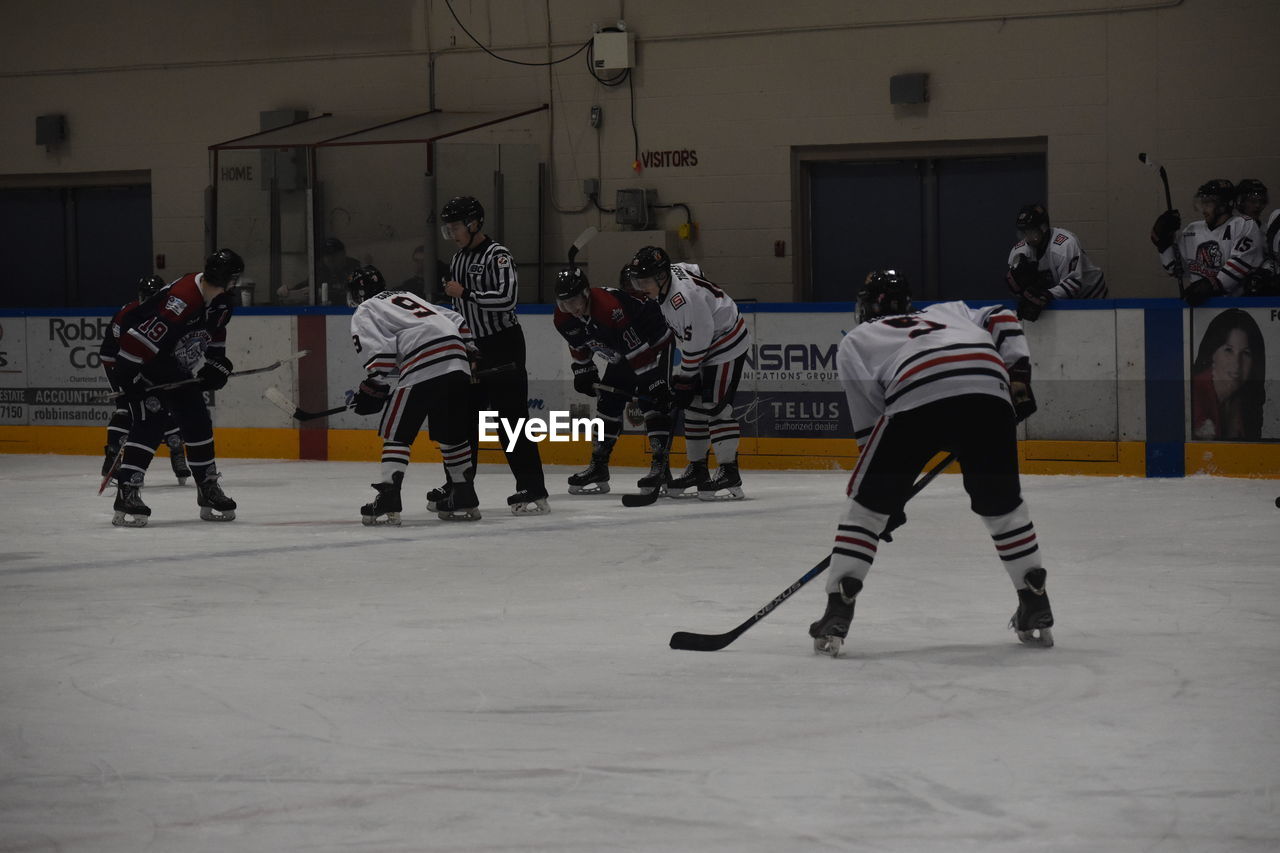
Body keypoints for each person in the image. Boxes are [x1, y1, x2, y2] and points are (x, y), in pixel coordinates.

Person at [808, 270, 1054, 657]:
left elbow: (870, 432)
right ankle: (1035, 597)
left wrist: (886, 501)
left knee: (864, 508)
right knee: (1001, 503)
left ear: (867, 306)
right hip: (988, 388)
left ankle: (839, 606)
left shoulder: (856, 340)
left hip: (916, 392)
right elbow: (1003, 316)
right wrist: (1018, 375)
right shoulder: (951, 310)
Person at [107, 249, 244, 527]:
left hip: (177, 370)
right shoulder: (181, 301)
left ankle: (208, 487)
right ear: (228, 279)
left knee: (197, 420)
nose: (235, 285)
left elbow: (216, 331)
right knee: (149, 422)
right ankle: (127, 492)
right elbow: (135, 342)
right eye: (235, 279)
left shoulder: (221, 302)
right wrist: (130, 380)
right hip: (145, 367)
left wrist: (217, 363)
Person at [438, 195, 549, 515]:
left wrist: (466, 293)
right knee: (462, 421)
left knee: (511, 421)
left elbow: (507, 299)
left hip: (503, 344)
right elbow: (459, 309)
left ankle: (531, 486)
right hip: (472, 347)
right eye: (448, 228)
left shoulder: (497, 254)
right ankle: (459, 488)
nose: (452, 233)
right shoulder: (457, 258)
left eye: (455, 226)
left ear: (474, 224)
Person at [346, 265, 480, 523]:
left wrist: (374, 384)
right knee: (451, 432)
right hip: (457, 359)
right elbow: (455, 319)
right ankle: (464, 493)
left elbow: (380, 351)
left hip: (424, 360)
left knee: (396, 429)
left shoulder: (366, 308)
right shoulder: (406, 296)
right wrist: (470, 349)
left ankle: (389, 496)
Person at [626, 246, 752, 500]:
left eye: (645, 281)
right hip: (707, 340)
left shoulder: (684, 300)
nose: (641, 286)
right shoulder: (671, 275)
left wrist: (685, 380)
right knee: (693, 406)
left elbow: (698, 345)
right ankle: (697, 468)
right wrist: (685, 383)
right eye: (637, 280)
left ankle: (729, 471)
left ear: (661, 278)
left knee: (715, 406)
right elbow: (695, 270)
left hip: (726, 340)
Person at [553, 264, 675, 496]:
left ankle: (661, 467)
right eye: (564, 303)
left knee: (653, 402)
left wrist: (654, 383)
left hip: (653, 339)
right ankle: (599, 465)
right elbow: (579, 343)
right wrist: (583, 369)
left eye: (575, 301)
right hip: (625, 348)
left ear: (586, 294)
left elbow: (638, 352)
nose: (571, 308)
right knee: (608, 401)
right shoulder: (563, 317)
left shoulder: (609, 309)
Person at [99, 274, 191, 485]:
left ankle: (177, 451)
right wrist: (133, 381)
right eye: (146, 295)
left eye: (154, 296)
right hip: (118, 363)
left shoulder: (168, 314)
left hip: (150, 363)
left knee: (164, 405)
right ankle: (113, 454)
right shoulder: (127, 315)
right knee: (125, 407)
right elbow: (122, 354)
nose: (149, 300)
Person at [1150, 179, 1264, 306]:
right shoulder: (1192, 230)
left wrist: (1212, 284)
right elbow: (1175, 269)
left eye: (1208, 203)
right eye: (1202, 203)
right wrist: (1164, 243)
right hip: (1201, 310)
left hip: (1237, 307)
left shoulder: (1243, 224)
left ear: (1223, 205)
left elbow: (1240, 264)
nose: (1204, 209)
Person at [1005, 203, 1107, 321]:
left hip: (1090, 293)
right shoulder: (1019, 252)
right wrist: (1022, 291)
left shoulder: (1065, 245)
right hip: (1059, 295)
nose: (1027, 238)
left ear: (1043, 228)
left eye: (1031, 232)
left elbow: (1073, 283)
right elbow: (1021, 290)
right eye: (1023, 233)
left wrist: (1045, 295)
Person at [1190, 308, 1266, 441]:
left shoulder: (1247, 401)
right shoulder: (1193, 395)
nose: (1237, 364)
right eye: (1228, 350)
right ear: (1212, 352)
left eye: (1246, 353)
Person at [276, 237, 362, 305]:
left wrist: (324, 293)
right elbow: (307, 285)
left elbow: (357, 293)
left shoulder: (354, 268)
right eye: (326, 254)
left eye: (334, 253)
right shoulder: (321, 269)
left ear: (343, 253)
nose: (330, 258)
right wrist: (288, 291)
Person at [1235, 179, 1280, 295]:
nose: (1257, 206)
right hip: (1233, 290)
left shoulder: (1266, 229)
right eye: (1252, 201)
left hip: (1258, 290)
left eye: (1261, 201)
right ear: (1240, 201)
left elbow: (1271, 260)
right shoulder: (1231, 228)